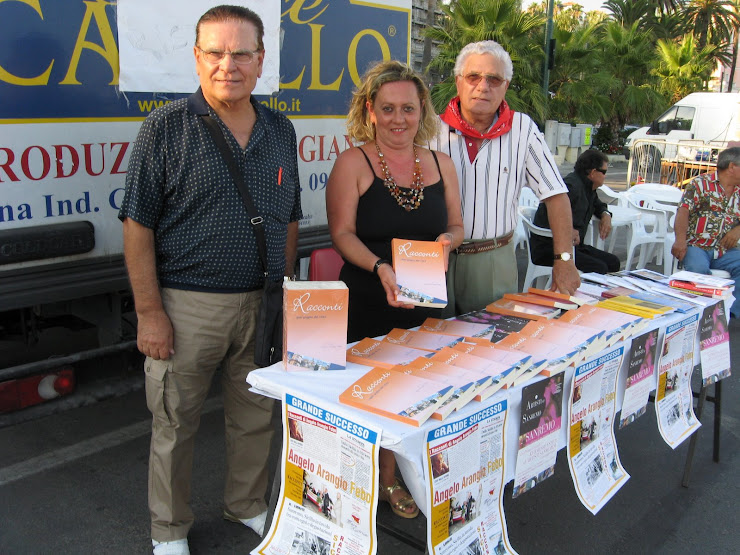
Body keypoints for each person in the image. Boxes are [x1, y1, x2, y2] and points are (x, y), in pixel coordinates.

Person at [119, 6, 301, 554]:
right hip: (187, 306)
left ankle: (245, 504)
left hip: (263, 302)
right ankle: (169, 529)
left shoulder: (279, 128)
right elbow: (137, 225)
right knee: (175, 424)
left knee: (256, 418)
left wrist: (287, 295)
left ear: (261, 60)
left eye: (242, 52)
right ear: (196, 58)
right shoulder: (165, 128)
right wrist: (150, 312)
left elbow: (289, 216)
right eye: (215, 52)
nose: (229, 64)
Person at [326, 60, 464, 518]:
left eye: (408, 108)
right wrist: (380, 265)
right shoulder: (353, 162)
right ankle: (362, 481)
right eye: (387, 109)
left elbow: (457, 226)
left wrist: (448, 243)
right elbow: (342, 234)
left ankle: (395, 476)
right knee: (368, 395)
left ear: (421, 109)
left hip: (423, 302)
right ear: (370, 110)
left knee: (414, 393)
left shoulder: (441, 162)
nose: (398, 119)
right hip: (369, 298)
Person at [430, 40, 580, 315]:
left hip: (493, 259)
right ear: (458, 81)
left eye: (494, 79)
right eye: (473, 76)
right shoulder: (430, 130)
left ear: (506, 86)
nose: (483, 86)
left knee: (491, 345)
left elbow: (556, 195)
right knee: (432, 344)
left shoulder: (522, 129)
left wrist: (564, 259)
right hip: (435, 260)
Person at [671, 146, 740, 319]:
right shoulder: (700, 184)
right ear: (732, 167)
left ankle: (728, 314)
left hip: (726, 249)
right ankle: (701, 316)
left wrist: (738, 230)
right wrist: (680, 240)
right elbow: (683, 211)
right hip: (697, 245)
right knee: (697, 271)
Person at [530, 149, 619, 274]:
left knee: (613, 262)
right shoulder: (570, 186)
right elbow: (547, 213)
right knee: (599, 268)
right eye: (604, 172)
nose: (605, 176)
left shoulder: (588, 187)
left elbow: (598, 204)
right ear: (593, 172)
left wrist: (606, 215)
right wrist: (567, 230)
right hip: (551, 249)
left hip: (573, 247)